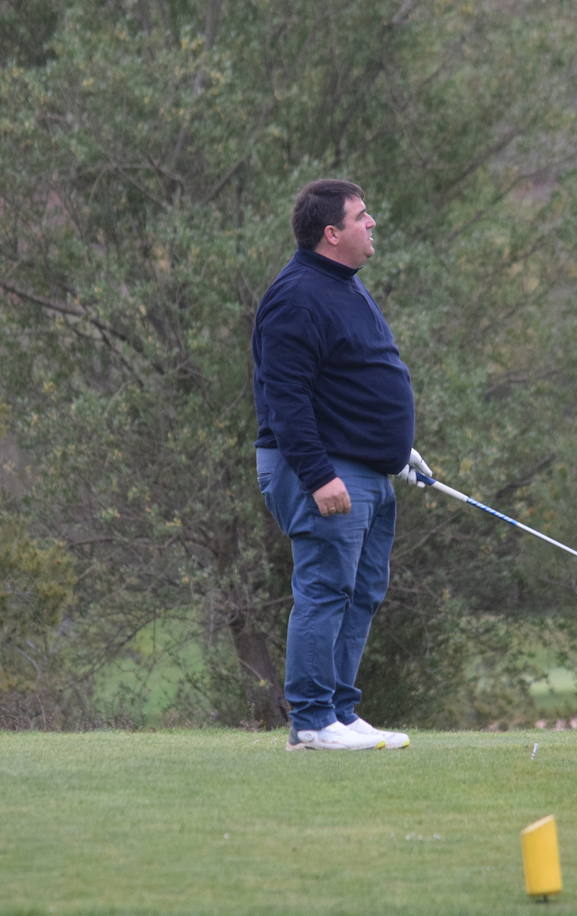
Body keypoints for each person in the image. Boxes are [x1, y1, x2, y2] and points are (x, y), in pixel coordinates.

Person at [252, 179, 432, 751]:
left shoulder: (342, 285)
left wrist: (395, 448)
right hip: (324, 470)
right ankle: (311, 722)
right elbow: (286, 396)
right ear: (332, 233)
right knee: (326, 589)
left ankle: (339, 712)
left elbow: (350, 382)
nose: (372, 222)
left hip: (369, 469)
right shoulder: (298, 295)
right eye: (361, 216)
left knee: (362, 591)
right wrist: (318, 474)